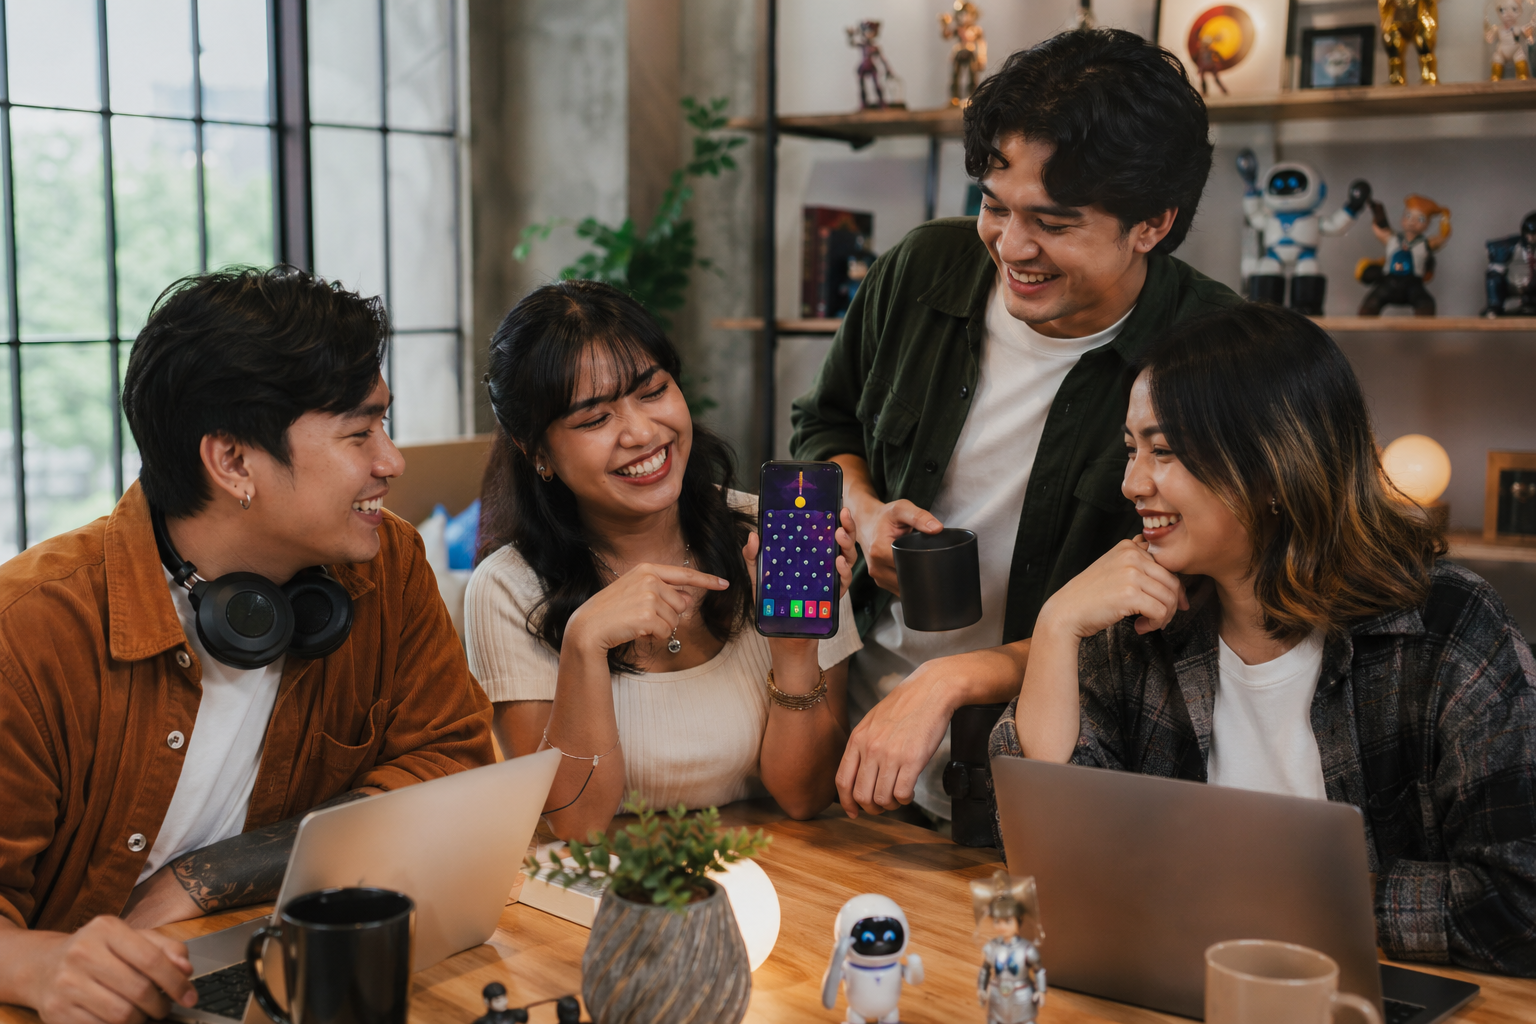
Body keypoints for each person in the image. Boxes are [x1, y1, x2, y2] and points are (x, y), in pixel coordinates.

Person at [0, 267, 497, 1023]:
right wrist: (40, 967)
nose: (391, 461)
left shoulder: (385, 564)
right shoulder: (30, 627)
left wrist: (208, 875)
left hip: (262, 972)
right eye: (359, 433)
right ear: (233, 462)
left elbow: (454, 761)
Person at [989, 304, 1536, 975]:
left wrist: (1284, 899)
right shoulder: (1139, 613)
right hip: (1174, 987)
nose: (1133, 483)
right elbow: (1052, 860)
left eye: (1164, 451)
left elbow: (1518, 903)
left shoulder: (1445, 630)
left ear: (1273, 464)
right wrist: (1056, 627)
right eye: (1132, 449)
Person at [789, 27, 1241, 822]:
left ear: (1152, 223)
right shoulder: (921, 270)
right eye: (995, 207)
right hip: (854, 748)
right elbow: (824, 426)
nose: (1013, 246)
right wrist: (864, 514)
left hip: (1051, 785)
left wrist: (954, 678)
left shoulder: (1216, 352)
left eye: (1055, 224)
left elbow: (1187, 610)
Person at [467, 281, 862, 841]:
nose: (643, 432)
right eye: (593, 420)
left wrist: (795, 647)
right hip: (606, 894)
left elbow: (804, 797)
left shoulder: (772, 539)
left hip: (776, 878)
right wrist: (583, 644)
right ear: (538, 454)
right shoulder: (509, 589)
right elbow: (573, 823)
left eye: (653, 391)